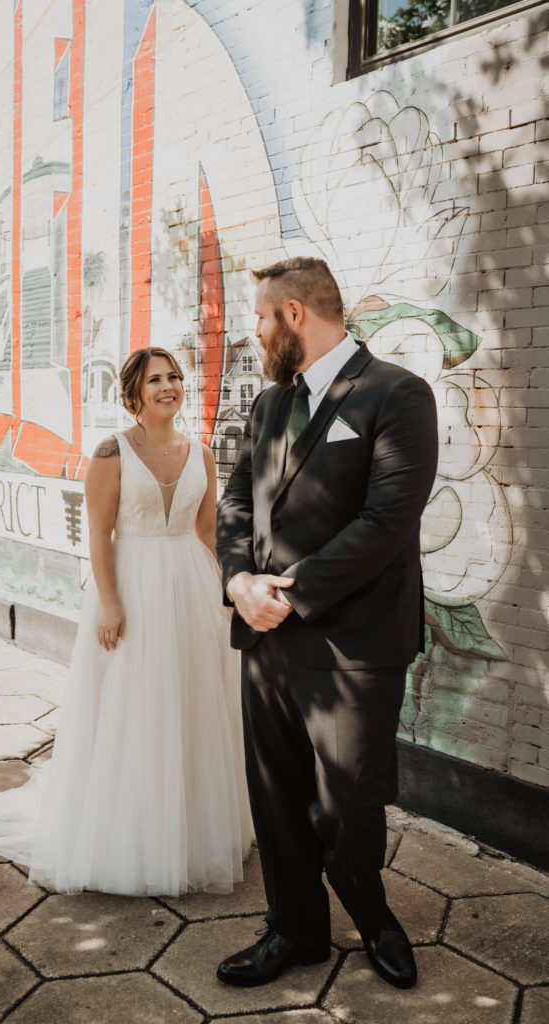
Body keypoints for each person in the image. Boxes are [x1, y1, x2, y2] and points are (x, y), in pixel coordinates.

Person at [215, 257, 438, 989]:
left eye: (257, 317)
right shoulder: (267, 407)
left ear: (292, 316)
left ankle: (372, 918)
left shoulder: (397, 394)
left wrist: (287, 587)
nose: (252, 332)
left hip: (354, 643)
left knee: (347, 801)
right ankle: (295, 931)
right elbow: (236, 505)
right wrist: (239, 580)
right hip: (264, 633)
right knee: (275, 794)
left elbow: (386, 521)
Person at [0, 347, 251, 896]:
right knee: (137, 709)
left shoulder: (199, 452)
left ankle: (190, 830)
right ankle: (130, 836)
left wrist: (230, 582)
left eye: (175, 377)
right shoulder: (112, 451)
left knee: (193, 704)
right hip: (133, 585)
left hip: (192, 586)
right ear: (134, 392)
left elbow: (206, 530)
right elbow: (99, 533)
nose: (169, 386)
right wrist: (109, 602)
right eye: (156, 379)